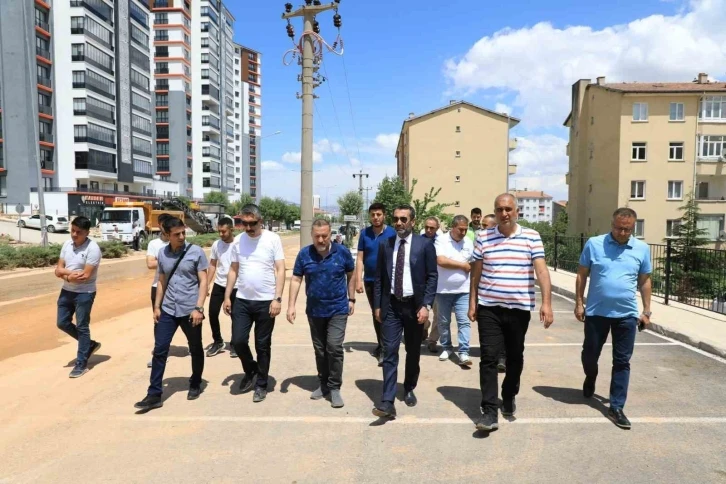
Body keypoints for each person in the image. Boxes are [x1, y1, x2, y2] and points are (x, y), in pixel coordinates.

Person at [468, 193, 554, 432]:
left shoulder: (531, 237)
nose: (504, 214)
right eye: (499, 210)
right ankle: (488, 411)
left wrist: (546, 303)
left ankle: (508, 394)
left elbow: (542, 272)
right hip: (489, 307)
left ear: (516, 211)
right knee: (489, 357)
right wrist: (472, 302)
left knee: (515, 356)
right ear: (494, 212)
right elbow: (475, 273)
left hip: (518, 309)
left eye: (508, 209)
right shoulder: (483, 237)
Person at [575, 207, 652, 430]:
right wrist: (579, 302)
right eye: (618, 228)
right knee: (590, 355)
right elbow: (582, 274)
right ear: (612, 224)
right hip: (596, 312)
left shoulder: (641, 248)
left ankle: (616, 406)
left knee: (622, 361)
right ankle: (591, 376)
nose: (622, 233)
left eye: (627, 229)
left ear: (633, 228)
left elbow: (645, 280)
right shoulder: (594, 244)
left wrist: (646, 311)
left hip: (627, 315)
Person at [134, 216, 209, 411]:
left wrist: (199, 308)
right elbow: (161, 281)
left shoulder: (196, 252)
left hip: (190, 309)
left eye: (183, 232)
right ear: (166, 235)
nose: (182, 236)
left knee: (195, 347)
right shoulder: (162, 253)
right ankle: (154, 394)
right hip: (168, 309)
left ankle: (195, 381)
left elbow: (203, 281)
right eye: (177, 234)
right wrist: (157, 306)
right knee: (160, 350)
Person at [372, 205, 438, 418]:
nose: (398, 223)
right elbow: (379, 278)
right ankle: (387, 401)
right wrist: (378, 306)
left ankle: (409, 387)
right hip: (391, 306)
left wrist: (426, 305)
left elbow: (432, 277)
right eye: (396, 219)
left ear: (412, 222)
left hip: (414, 307)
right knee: (389, 351)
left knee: (413, 351)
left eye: (403, 219)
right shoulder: (385, 245)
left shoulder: (424, 245)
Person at [287, 219, 356, 409]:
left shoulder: (342, 252)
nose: (321, 239)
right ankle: (323, 383)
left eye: (324, 235)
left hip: (338, 309)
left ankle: (334, 387)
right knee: (320, 350)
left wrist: (351, 299)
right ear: (312, 235)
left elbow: (351, 274)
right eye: (317, 236)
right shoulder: (304, 254)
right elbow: (295, 279)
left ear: (330, 234)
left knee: (333, 346)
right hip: (315, 311)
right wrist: (291, 305)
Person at [223, 204, 286, 403]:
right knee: (238, 341)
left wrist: (277, 298)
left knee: (262, 345)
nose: (248, 228)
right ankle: (251, 370)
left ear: (260, 221)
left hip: (266, 301)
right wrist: (227, 296)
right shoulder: (238, 242)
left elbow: (281, 269)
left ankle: (261, 385)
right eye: (244, 223)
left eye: (252, 223)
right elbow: (233, 269)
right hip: (242, 299)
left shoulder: (272, 239)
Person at [54, 216, 102, 378]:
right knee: (62, 323)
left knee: (82, 326)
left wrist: (64, 273)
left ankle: (81, 364)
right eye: (72, 230)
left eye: (78, 232)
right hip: (67, 290)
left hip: (85, 293)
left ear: (87, 232)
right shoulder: (67, 245)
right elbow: (57, 270)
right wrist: (68, 275)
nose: (74, 234)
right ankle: (89, 344)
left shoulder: (93, 249)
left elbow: (85, 276)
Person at [355, 203, 396, 366]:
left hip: (390, 281)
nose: (376, 217)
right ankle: (382, 345)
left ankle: (386, 348)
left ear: (384, 215)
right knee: (376, 314)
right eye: (373, 214)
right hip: (371, 281)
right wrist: (358, 279)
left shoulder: (392, 232)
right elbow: (359, 258)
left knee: (388, 314)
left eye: (378, 214)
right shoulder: (365, 234)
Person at [434, 215, 474, 366]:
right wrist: (462, 266)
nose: (463, 232)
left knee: (464, 322)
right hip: (443, 289)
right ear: (453, 227)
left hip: (463, 290)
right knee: (443, 321)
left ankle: (464, 352)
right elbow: (441, 261)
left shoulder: (469, 242)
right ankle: (447, 347)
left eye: (465, 229)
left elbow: (473, 262)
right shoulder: (442, 240)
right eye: (460, 229)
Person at [206, 217, 238, 358]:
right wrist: (207, 283)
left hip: (237, 286)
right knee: (212, 313)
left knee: (236, 316)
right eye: (219, 231)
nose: (221, 234)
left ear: (231, 229)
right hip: (219, 284)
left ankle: (236, 343)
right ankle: (218, 341)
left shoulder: (239, 244)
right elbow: (213, 264)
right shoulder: (216, 245)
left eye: (224, 231)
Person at [145, 214, 171, 368]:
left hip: (177, 287)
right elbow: (149, 263)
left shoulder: (181, 241)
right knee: (158, 319)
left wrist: (160, 261)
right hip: (158, 286)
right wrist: (169, 260)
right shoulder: (154, 244)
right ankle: (159, 353)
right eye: (163, 225)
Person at [482, 213, 507, 372]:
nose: (482, 228)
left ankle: (503, 357)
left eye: (486, 226)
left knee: (506, 332)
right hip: (487, 299)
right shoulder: (481, 241)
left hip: (508, 299)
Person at [420, 216, 442, 352]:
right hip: (422, 284)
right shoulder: (418, 240)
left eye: (432, 228)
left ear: (437, 228)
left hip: (439, 284)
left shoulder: (442, 242)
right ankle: (424, 326)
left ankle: (433, 340)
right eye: (427, 227)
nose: (428, 230)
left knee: (439, 314)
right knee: (420, 311)